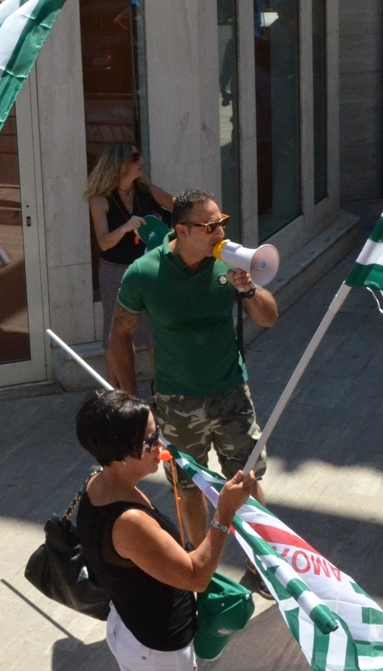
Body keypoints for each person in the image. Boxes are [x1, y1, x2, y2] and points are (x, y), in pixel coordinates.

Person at [110, 189, 277, 552]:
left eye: (222, 223)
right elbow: (120, 335)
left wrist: (248, 291)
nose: (220, 233)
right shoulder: (144, 273)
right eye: (210, 226)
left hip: (231, 392)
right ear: (182, 231)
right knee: (188, 485)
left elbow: (269, 318)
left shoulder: (229, 265)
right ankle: (201, 566)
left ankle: (262, 564)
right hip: (176, 400)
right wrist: (130, 401)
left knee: (246, 481)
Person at [76, 390, 255, 671]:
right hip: (157, 653)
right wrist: (224, 513)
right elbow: (196, 578)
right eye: (149, 441)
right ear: (121, 453)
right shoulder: (129, 523)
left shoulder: (98, 484)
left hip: (131, 627)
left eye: (156, 431)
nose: (160, 444)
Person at [86, 143, 175, 387]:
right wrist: (125, 228)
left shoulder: (144, 189)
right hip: (115, 271)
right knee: (115, 333)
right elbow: (104, 243)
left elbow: (177, 205)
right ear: (120, 164)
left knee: (154, 333)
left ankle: (163, 393)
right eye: (135, 156)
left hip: (148, 268)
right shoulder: (100, 199)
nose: (141, 159)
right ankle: (121, 396)